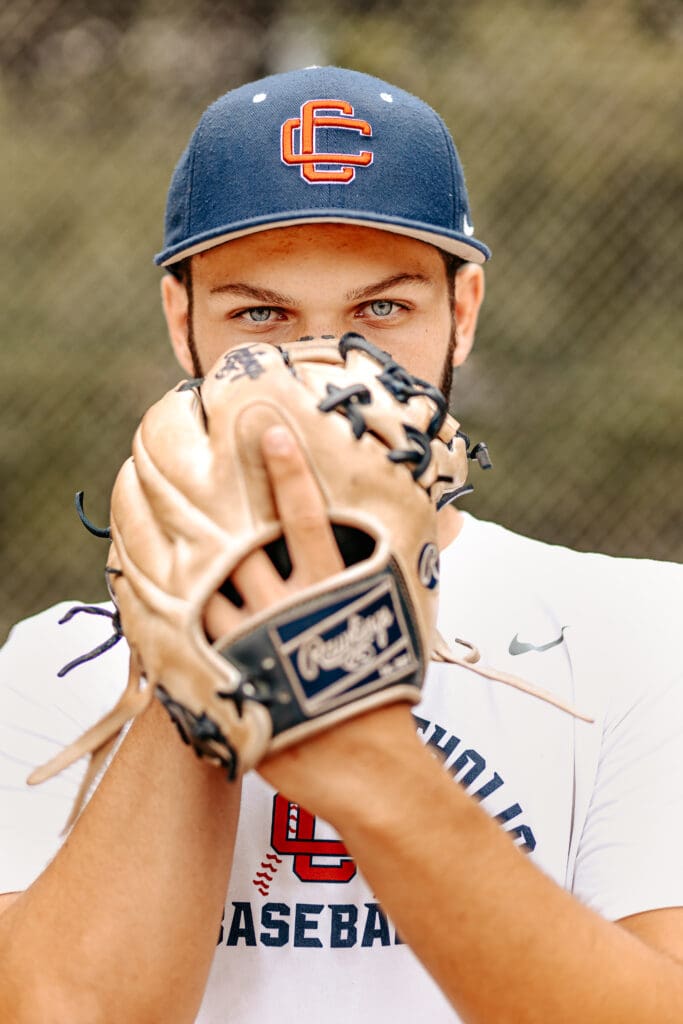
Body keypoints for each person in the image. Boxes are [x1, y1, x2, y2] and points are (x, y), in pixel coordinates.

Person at [1, 65, 682, 1024]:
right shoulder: (61, 665)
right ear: (180, 317)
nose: (322, 366)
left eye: (380, 313)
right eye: (261, 316)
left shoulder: (639, 630)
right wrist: (181, 663)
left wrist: (355, 748)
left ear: (464, 308)